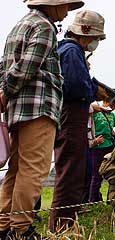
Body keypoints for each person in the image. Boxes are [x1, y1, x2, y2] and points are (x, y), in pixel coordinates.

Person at [0, 0, 83, 238]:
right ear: (52, 5)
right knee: (33, 170)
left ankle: (4, 225)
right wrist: (6, 91)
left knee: (15, 171)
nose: (67, 11)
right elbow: (27, 67)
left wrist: (4, 93)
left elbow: (3, 67)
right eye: (65, 5)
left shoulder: (19, 25)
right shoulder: (44, 27)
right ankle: (21, 228)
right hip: (39, 107)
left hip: (18, 110)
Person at [49, 10, 106, 232]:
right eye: (95, 38)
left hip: (72, 117)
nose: (96, 42)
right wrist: (95, 89)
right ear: (84, 31)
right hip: (71, 116)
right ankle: (61, 227)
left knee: (74, 171)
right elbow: (74, 86)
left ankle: (65, 222)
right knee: (70, 172)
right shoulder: (72, 50)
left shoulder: (70, 51)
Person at [89, 98, 115, 202]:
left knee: (112, 173)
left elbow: (110, 128)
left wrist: (112, 132)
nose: (112, 107)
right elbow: (90, 126)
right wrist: (94, 140)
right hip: (97, 147)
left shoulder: (112, 116)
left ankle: (110, 199)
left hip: (110, 146)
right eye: (112, 104)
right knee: (96, 175)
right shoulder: (95, 112)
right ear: (105, 101)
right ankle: (93, 201)